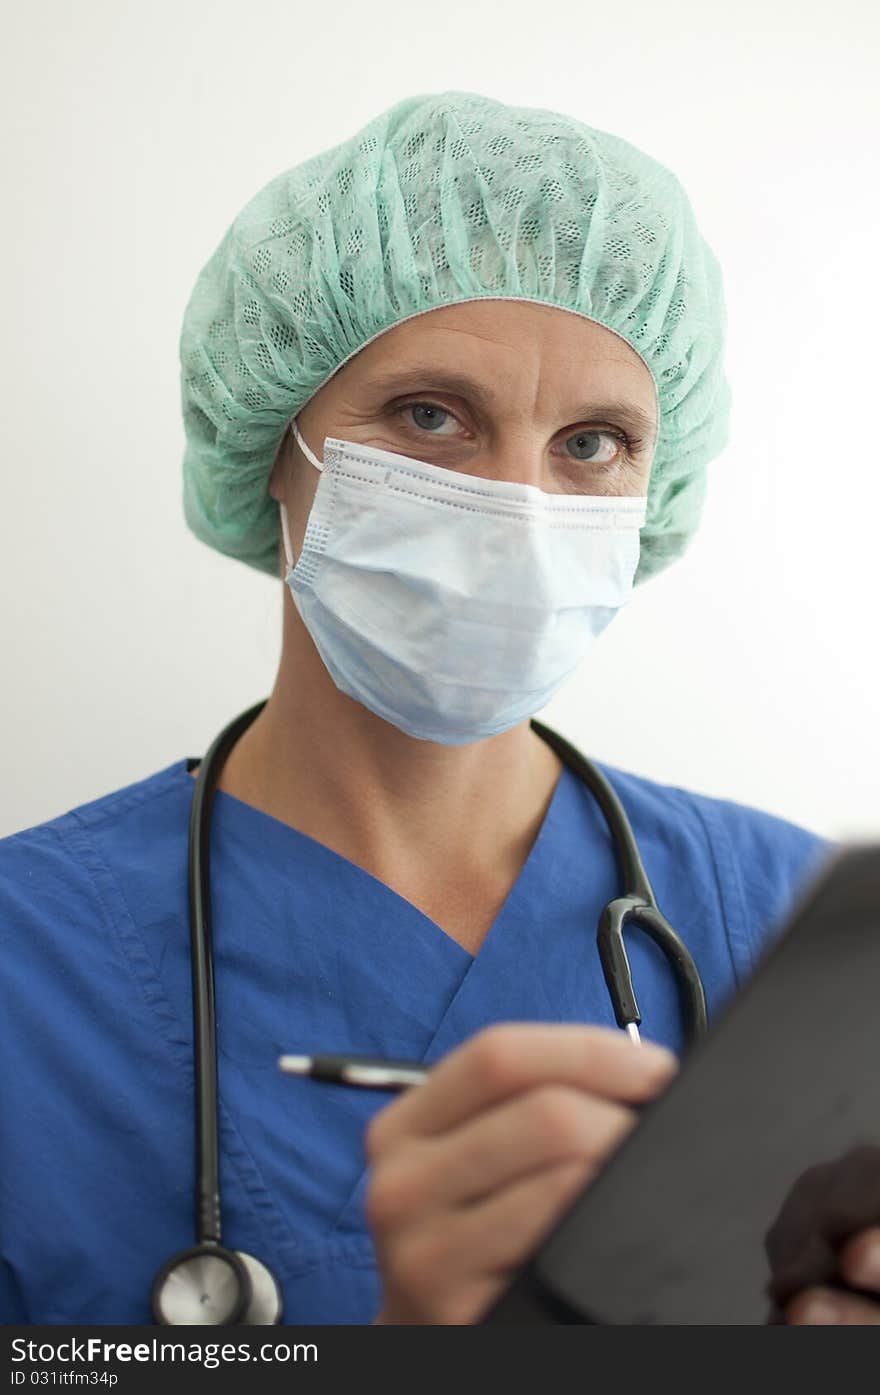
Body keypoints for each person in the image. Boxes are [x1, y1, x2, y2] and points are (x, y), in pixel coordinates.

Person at [1, 89, 876, 1327]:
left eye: (591, 444)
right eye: (431, 417)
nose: (518, 510)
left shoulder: (801, 938)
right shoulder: (26, 969)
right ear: (271, 443)